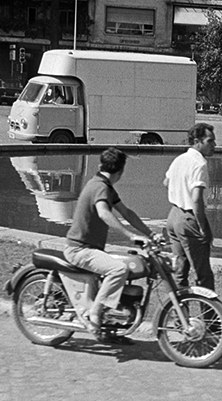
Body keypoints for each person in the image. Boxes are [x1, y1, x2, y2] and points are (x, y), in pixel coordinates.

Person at [63, 147, 158, 343]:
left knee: (124, 266)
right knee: (118, 269)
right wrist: (130, 236)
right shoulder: (100, 187)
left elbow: (127, 213)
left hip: (89, 248)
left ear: (101, 165)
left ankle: (112, 326)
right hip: (80, 249)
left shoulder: (103, 185)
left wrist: (150, 234)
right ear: (120, 171)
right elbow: (104, 213)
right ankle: (95, 313)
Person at [163, 123, 217, 290]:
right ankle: (209, 307)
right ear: (196, 141)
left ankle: (178, 306)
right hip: (189, 219)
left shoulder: (179, 159)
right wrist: (203, 227)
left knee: (180, 272)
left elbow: (166, 182)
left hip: (173, 216)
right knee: (203, 273)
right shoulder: (199, 164)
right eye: (210, 141)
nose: (214, 145)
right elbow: (196, 199)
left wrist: (179, 191)